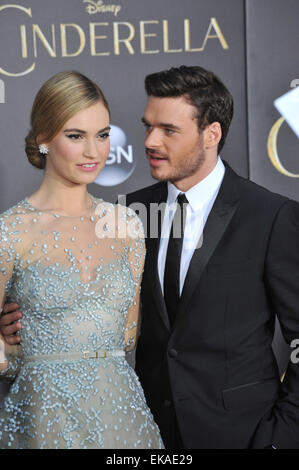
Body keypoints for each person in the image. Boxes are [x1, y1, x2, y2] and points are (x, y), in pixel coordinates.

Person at [2, 65, 299, 450]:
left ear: (212, 134)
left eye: (168, 130)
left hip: (239, 435)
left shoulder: (270, 216)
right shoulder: (132, 214)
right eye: (148, 127)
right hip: (145, 428)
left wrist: (282, 437)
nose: (151, 142)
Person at [0, 71, 163, 449]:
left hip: (124, 421)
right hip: (43, 423)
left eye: (102, 135)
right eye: (76, 136)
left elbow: (126, 336)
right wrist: (11, 354)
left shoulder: (127, 226)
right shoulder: (11, 232)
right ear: (44, 138)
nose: (94, 152)